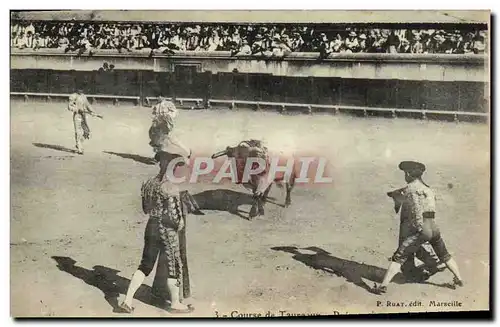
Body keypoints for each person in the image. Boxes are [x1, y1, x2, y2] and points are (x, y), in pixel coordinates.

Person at [119, 151, 194, 314]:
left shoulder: (149, 184)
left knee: (145, 264)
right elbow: (176, 219)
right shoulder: (171, 187)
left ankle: (127, 300)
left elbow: (146, 209)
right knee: (173, 264)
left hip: (151, 226)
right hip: (166, 229)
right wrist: (180, 222)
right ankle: (175, 303)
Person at [372, 161, 464, 294]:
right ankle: (459, 279)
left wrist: (416, 233)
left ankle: (383, 285)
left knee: (399, 256)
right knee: (445, 255)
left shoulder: (409, 190)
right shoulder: (428, 189)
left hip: (422, 229)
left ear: (408, 174)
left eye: (405, 173)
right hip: (434, 228)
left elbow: (413, 213)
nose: (404, 175)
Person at [148, 95, 191, 162]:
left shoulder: (168, 104)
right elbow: (153, 115)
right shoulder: (156, 106)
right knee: (159, 140)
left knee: (171, 140)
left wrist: (169, 116)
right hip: (158, 125)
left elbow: (175, 112)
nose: (159, 97)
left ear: (164, 97)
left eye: (161, 96)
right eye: (158, 96)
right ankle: (157, 157)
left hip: (166, 125)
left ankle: (187, 151)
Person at [67, 89, 103, 154]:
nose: (81, 90)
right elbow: (69, 107)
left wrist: (93, 112)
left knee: (87, 132)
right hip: (77, 115)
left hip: (83, 115)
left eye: (82, 89)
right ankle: (79, 147)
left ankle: (79, 143)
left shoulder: (84, 96)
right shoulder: (73, 96)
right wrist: (77, 109)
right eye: (79, 89)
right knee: (78, 131)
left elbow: (88, 105)